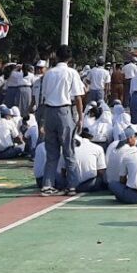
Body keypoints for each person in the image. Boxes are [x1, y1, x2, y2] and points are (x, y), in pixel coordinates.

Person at [39, 45, 86, 196]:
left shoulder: (49, 73)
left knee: (51, 151)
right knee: (68, 150)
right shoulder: (71, 73)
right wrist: (80, 117)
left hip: (49, 111)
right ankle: (71, 185)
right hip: (64, 111)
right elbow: (78, 96)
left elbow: (44, 95)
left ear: (56, 56)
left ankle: (47, 184)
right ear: (70, 59)